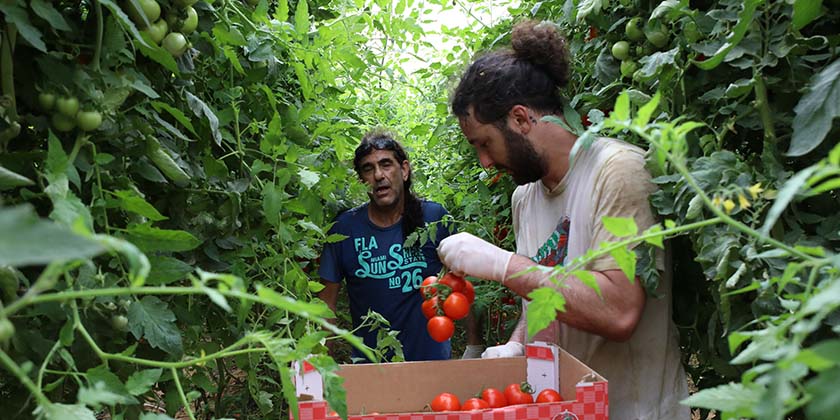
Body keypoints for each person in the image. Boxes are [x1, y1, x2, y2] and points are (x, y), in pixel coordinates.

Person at [436, 20, 689, 419]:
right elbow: (545, 290)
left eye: (484, 143)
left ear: (520, 119)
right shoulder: (525, 198)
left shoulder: (617, 172)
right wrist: (519, 341)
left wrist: (506, 266)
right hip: (567, 410)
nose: (485, 162)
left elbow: (619, 311)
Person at [318, 129, 452, 362]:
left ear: (404, 170)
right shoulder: (344, 229)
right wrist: (325, 367)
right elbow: (326, 304)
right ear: (362, 181)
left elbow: (460, 283)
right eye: (368, 169)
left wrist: (474, 344)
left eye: (386, 164)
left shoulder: (435, 219)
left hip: (432, 364)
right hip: (371, 367)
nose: (379, 175)